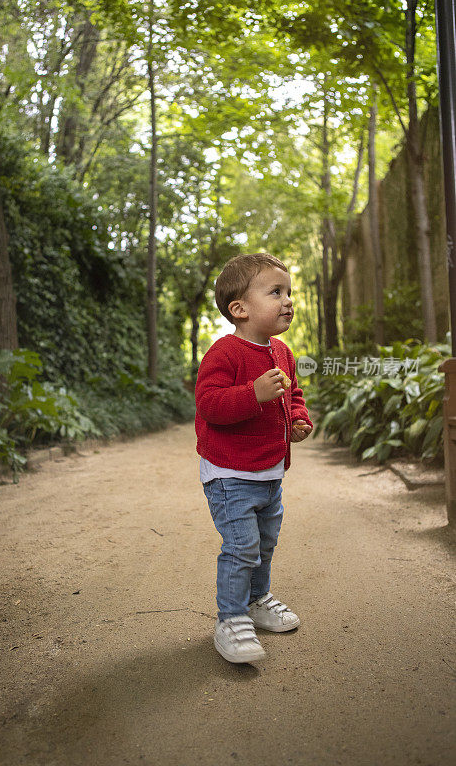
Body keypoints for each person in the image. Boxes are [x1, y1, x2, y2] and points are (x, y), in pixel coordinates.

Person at [194, 252, 313, 664]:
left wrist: (298, 419)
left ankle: (258, 600)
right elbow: (209, 404)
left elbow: (293, 396)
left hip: (269, 472)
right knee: (242, 545)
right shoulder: (224, 354)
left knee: (264, 542)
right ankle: (231, 618)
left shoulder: (283, 354)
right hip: (229, 474)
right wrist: (253, 394)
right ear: (239, 309)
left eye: (289, 293)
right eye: (275, 292)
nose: (287, 301)